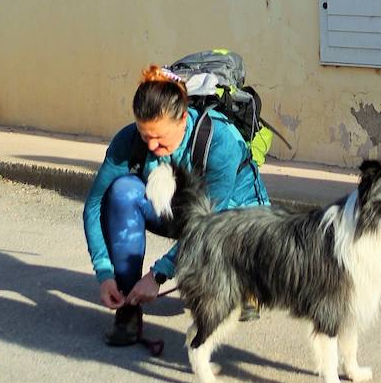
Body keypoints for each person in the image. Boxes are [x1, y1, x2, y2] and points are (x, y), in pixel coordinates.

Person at [83, 64, 271, 346]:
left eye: (160, 137)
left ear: (183, 118)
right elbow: (95, 204)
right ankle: (128, 306)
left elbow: (210, 222)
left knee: (226, 261)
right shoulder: (129, 140)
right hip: (183, 213)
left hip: (236, 222)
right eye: (145, 135)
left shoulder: (220, 140)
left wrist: (159, 274)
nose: (151, 146)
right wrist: (104, 273)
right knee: (122, 192)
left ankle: (244, 284)